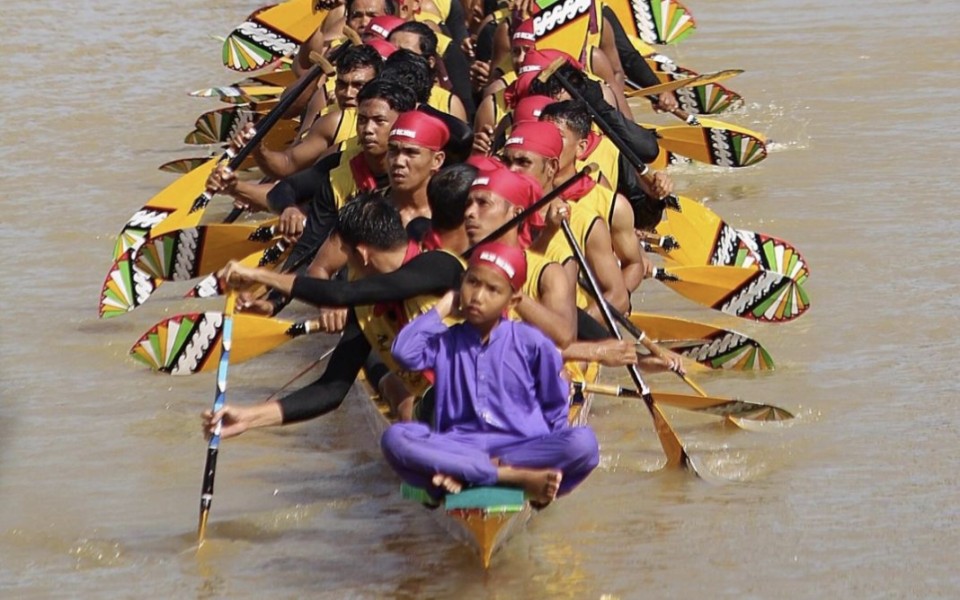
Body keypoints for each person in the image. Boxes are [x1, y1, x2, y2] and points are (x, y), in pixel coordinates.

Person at [380, 241, 600, 506]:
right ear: (461, 284)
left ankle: (461, 476)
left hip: (521, 449)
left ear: (513, 299)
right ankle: (507, 477)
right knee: (394, 439)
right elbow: (404, 352)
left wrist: (552, 451)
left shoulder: (531, 342)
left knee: (584, 444)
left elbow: (555, 404)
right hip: (460, 447)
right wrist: (445, 306)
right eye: (472, 283)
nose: (478, 296)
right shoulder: (445, 341)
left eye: (493, 290)